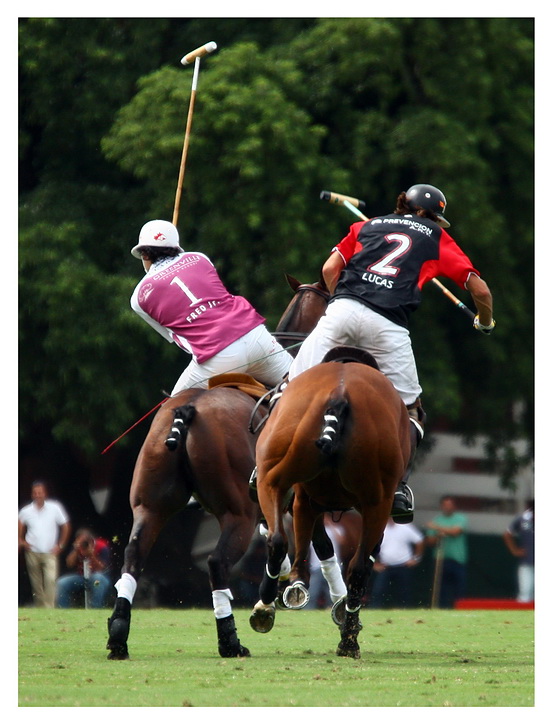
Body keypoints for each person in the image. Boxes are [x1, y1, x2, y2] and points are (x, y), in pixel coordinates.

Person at [287, 184, 495, 522]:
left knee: (290, 385)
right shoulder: (437, 237)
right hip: (387, 327)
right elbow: (481, 291)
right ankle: (398, 488)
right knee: (411, 410)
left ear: (403, 205)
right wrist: (485, 321)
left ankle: (264, 465)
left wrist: (345, 301)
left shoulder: (366, 225)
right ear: (434, 217)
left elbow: (328, 270)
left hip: (341, 312)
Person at [130, 220, 293, 395]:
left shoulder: (138, 298)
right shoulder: (200, 258)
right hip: (257, 338)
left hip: (218, 358)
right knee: (302, 387)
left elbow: (175, 338)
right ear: (176, 246)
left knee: (173, 407)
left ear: (144, 254)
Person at [18, 480, 71, 608]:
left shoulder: (55, 507)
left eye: (40, 492)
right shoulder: (26, 511)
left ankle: (49, 607)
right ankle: (40, 608)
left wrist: (61, 545)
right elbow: (19, 525)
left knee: (50, 580)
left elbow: (65, 526)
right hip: (32, 551)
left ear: (45, 493)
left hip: (50, 552)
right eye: (35, 493)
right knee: (36, 583)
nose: (37, 495)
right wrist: (21, 541)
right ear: (32, 494)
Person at [370, 518, 424, 608]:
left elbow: (419, 540)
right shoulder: (379, 529)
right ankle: (375, 609)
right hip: (385, 567)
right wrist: (374, 565)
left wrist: (416, 559)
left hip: (403, 566)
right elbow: (370, 546)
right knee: (378, 591)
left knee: (405, 592)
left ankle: (405, 610)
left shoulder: (405, 527)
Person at [425, 496, 468, 608]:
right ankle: (440, 609)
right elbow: (430, 541)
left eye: (450, 505)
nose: (447, 507)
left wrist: (438, 528)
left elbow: (455, 532)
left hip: (457, 559)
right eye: (445, 505)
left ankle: (459, 609)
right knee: (440, 589)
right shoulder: (437, 520)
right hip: (440, 559)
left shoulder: (460, 518)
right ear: (441, 506)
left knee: (459, 589)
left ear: (454, 506)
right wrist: (439, 536)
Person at [56, 528, 112, 608]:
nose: (84, 544)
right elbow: (69, 564)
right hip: (81, 576)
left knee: (98, 579)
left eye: (86, 542)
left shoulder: (101, 546)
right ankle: (63, 609)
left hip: (100, 576)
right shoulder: (77, 547)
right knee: (61, 582)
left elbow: (102, 568)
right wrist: (76, 550)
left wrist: (91, 555)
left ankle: (95, 609)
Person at [503, 500, 534, 603]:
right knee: (525, 595)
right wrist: (514, 550)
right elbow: (507, 534)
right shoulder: (522, 519)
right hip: (526, 562)